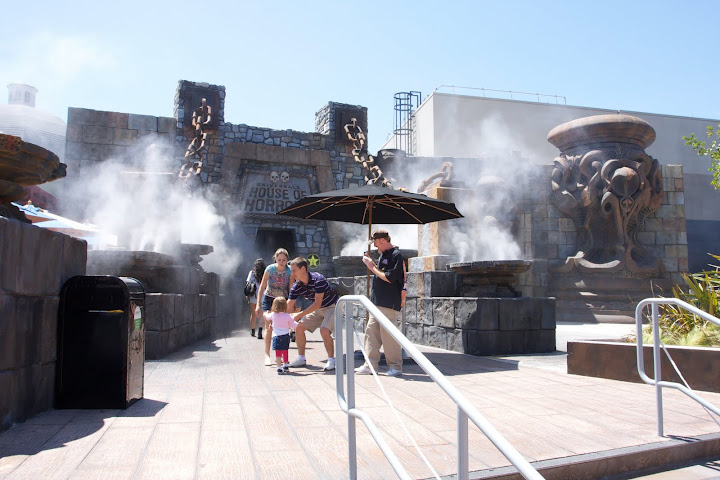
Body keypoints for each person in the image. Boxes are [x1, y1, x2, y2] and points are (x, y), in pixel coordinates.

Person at [355, 228, 405, 377]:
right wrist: (372, 265)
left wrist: (371, 267)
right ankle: (370, 365)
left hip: (389, 302)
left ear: (383, 240)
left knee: (388, 335)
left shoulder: (396, 255)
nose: (375, 246)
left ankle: (395, 366)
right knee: (371, 333)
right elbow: (381, 273)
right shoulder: (384, 254)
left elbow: (389, 277)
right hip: (377, 302)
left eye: (375, 242)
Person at [286, 257, 340, 371]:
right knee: (299, 328)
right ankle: (301, 358)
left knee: (324, 330)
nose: (292, 274)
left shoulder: (318, 280)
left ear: (303, 269)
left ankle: (331, 360)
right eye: (291, 271)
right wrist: (277, 319)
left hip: (331, 306)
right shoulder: (297, 286)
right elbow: (288, 305)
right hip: (318, 309)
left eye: (294, 270)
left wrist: (299, 314)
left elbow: (316, 304)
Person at [255, 248, 293, 366]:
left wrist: (291, 304)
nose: (281, 262)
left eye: (284, 260)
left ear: (287, 260)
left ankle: (280, 355)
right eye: (279, 259)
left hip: (282, 301)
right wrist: (258, 304)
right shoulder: (270, 269)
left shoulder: (289, 271)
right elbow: (262, 287)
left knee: (282, 327)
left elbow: (291, 288)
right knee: (268, 326)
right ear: (275, 258)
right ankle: (267, 355)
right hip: (269, 298)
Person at [264, 297, 298, 375]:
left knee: (278, 352)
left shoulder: (273, 315)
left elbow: (267, 317)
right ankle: (285, 365)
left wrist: (265, 313)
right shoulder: (287, 316)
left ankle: (279, 367)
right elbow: (293, 324)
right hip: (286, 336)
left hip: (276, 336)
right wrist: (299, 325)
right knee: (285, 351)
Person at [246, 258, 266, 337]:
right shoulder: (265, 272)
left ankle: (253, 330)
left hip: (253, 295)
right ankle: (260, 332)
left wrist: (247, 295)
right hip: (262, 295)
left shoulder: (251, 273)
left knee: (253, 314)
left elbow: (248, 283)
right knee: (261, 314)